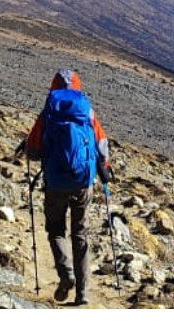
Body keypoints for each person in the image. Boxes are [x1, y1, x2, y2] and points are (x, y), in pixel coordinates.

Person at [25, 69, 112, 305]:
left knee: (55, 230)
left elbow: (32, 152)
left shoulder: (48, 112)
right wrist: (103, 169)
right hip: (83, 182)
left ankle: (66, 274)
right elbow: (103, 147)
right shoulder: (87, 110)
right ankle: (83, 293)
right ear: (77, 86)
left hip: (55, 182)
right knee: (81, 234)